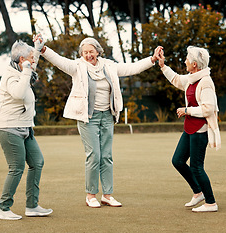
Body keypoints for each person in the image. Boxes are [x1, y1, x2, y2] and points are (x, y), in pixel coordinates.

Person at [36, 35, 162, 208]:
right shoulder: (77, 66)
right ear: (81, 54)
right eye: (85, 52)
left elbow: (132, 68)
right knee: (94, 155)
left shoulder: (109, 65)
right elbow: (59, 61)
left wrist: (152, 59)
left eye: (91, 51)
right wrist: (43, 49)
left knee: (107, 156)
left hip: (108, 116)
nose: (89, 55)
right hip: (88, 117)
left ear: (98, 51)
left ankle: (107, 195)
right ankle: (91, 195)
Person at [0, 39, 53, 220]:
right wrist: (27, 69)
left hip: (25, 127)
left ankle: (32, 206)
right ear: (21, 60)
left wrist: (37, 47)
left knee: (37, 162)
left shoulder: (24, 70)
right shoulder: (12, 76)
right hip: (8, 127)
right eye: (29, 59)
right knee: (17, 167)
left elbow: (32, 62)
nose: (33, 61)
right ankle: (3, 209)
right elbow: (18, 94)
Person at [157, 46, 221, 212]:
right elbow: (177, 80)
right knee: (177, 161)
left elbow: (208, 109)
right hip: (189, 127)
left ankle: (211, 203)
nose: (185, 61)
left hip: (200, 129)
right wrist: (163, 66)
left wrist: (187, 110)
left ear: (194, 64)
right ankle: (198, 192)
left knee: (196, 167)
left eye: (186, 59)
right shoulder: (192, 78)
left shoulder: (205, 81)